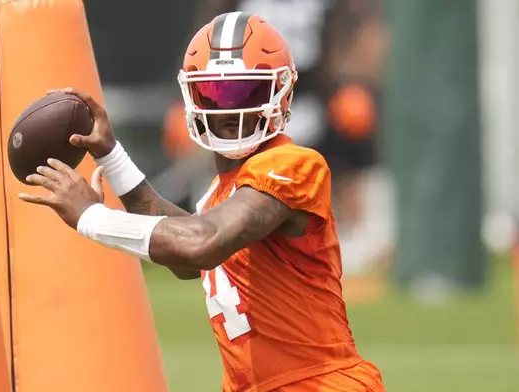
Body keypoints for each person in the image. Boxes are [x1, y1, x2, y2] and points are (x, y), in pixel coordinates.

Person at [19, 12, 385, 392]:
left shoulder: (293, 165)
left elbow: (200, 244)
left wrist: (92, 217)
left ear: (281, 92)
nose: (230, 109)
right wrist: (111, 155)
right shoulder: (221, 192)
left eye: (248, 92)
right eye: (214, 92)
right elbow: (187, 255)